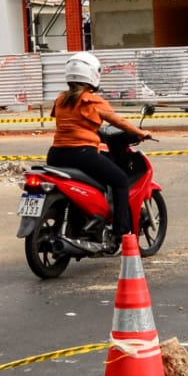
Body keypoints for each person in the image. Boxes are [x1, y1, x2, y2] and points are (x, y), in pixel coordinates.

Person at [46, 52, 151, 248]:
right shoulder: (92, 101)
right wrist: (140, 132)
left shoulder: (61, 99)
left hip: (56, 155)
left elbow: (72, 123)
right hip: (82, 154)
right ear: (92, 74)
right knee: (119, 180)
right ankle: (122, 232)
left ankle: (84, 222)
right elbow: (119, 122)